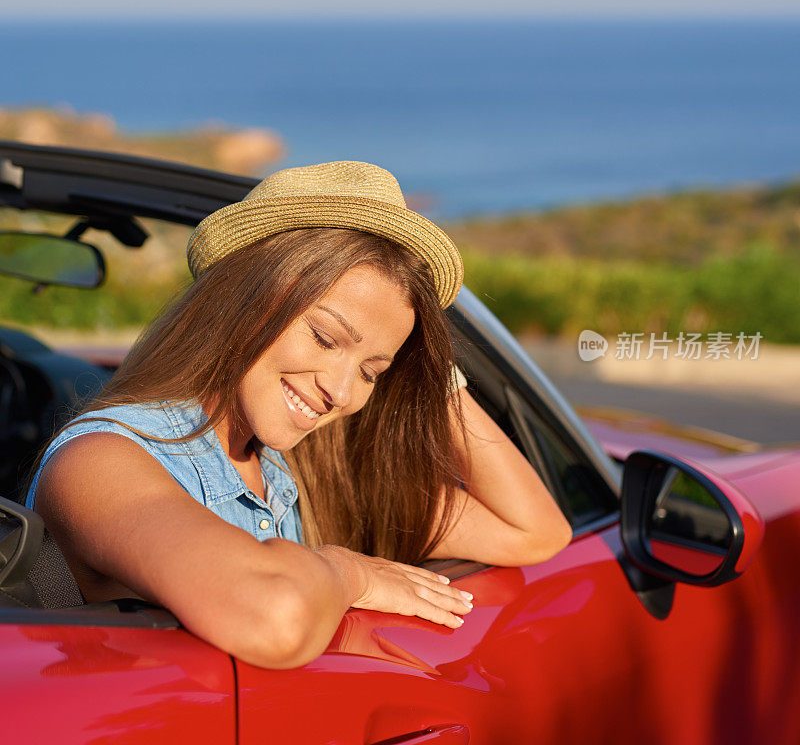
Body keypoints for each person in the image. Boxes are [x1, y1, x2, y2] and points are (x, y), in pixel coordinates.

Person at [25, 161, 572, 669]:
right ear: (245, 298)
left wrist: (433, 375)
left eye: (370, 373)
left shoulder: (306, 475)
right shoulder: (100, 462)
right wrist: (349, 572)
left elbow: (534, 532)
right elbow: (274, 614)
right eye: (325, 338)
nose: (341, 392)